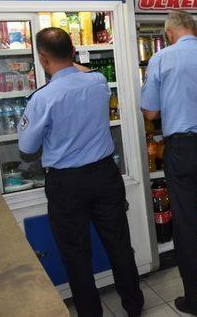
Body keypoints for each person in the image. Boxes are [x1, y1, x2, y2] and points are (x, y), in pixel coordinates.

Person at [18, 27, 143, 317]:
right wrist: (67, 61)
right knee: (119, 244)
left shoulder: (42, 98)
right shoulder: (98, 82)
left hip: (67, 184)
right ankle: (134, 306)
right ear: (73, 53)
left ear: (42, 58)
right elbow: (81, 71)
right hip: (104, 175)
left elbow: (27, 146)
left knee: (76, 255)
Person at [141, 10, 197, 316]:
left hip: (183, 148)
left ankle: (196, 298)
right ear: (196, 31)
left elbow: (150, 113)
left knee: (186, 225)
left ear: (169, 34)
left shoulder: (161, 60)